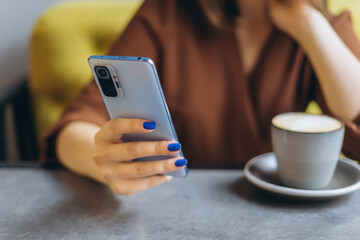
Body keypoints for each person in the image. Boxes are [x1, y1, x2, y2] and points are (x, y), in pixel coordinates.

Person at [42, 0, 360, 195]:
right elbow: (75, 126)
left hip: (283, 211)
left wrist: (308, 24)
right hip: (176, 204)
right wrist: (104, 163)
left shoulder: (326, 25)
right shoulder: (167, 12)